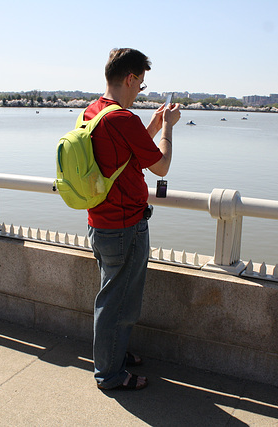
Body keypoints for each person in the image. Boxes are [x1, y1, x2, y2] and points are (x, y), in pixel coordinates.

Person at [84, 48, 180, 391]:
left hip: (101, 222)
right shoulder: (121, 119)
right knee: (116, 302)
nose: (141, 89)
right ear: (130, 78)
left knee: (116, 297)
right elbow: (161, 166)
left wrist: (153, 123)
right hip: (125, 227)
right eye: (140, 82)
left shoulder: (95, 112)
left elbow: (127, 154)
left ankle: (115, 355)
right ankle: (109, 375)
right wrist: (168, 129)